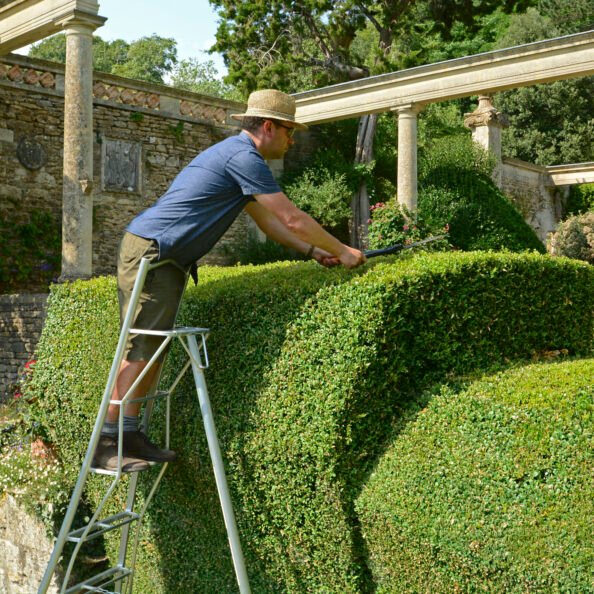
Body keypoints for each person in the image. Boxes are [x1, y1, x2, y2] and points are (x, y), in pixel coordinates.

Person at [92, 89, 367, 472]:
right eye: (290, 132)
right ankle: (107, 442)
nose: (293, 140)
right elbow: (290, 217)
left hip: (167, 256)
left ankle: (130, 431)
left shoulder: (239, 160)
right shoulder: (242, 157)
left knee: (154, 348)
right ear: (269, 127)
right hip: (154, 252)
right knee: (141, 347)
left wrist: (312, 251)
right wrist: (346, 249)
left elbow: (269, 223)